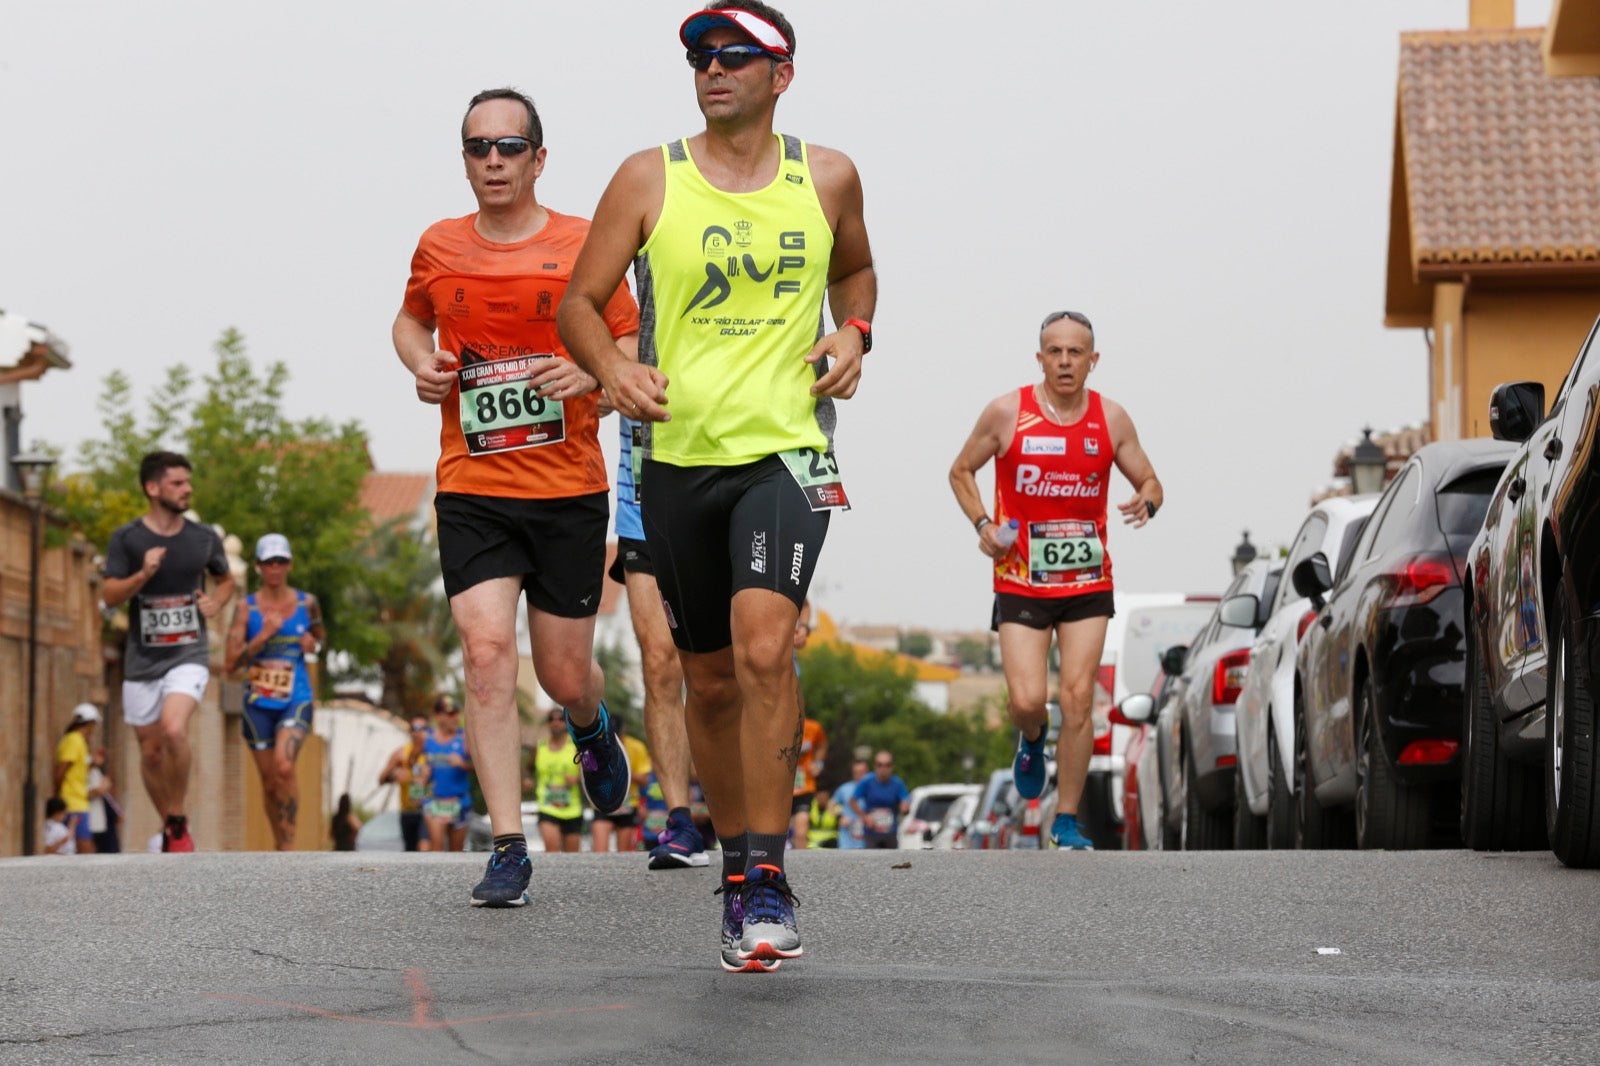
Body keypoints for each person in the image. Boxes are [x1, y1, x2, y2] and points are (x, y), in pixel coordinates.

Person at [559, 1, 876, 973]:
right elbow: (578, 302)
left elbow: (856, 273)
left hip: (789, 451)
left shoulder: (825, 176)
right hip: (677, 458)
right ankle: (737, 871)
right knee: (704, 677)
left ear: (782, 73)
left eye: (736, 54)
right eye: (700, 53)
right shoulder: (648, 177)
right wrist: (612, 367)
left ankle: (771, 874)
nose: (713, 67)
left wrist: (852, 333)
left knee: (765, 643)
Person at [393, 87, 640, 907]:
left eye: (508, 146)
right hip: (473, 484)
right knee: (488, 655)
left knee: (565, 674)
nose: (492, 161)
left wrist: (592, 370)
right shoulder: (439, 244)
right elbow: (408, 320)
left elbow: (632, 342)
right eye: (477, 148)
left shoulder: (581, 243)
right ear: (464, 160)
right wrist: (419, 361)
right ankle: (508, 843)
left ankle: (591, 727)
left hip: (567, 487)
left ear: (539, 157)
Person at [948, 310, 1163, 850]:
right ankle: (1030, 737)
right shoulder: (1006, 413)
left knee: (1077, 699)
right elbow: (960, 470)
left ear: (1093, 360)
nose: (1065, 361)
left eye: (1075, 352)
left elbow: (1151, 478)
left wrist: (1149, 500)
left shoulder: (1111, 419)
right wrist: (984, 525)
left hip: (1087, 580)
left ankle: (1066, 818)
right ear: (1040, 357)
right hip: (1020, 578)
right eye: (1054, 351)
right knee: (1028, 699)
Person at [101, 451, 235, 852]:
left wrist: (217, 602)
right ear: (153, 488)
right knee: (151, 751)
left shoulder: (202, 537)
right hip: (141, 660)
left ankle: (176, 816)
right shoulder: (127, 539)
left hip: (187, 655)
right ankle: (172, 823)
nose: (187, 489)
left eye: (187, 482)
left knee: (174, 728)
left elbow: (225, 580)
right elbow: (109, 595)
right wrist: (142, 574)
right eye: (177, 483)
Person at [608, 417, 709, 870]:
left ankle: (742, 813)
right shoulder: (629, 339)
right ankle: (681, 820)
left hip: (713, 497)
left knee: (718, 667)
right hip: (641, 506)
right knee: (658, 662)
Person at [224, 533, 325, 851]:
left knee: (284, 766)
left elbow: (320, 638)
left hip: (295, 698)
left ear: (289, 564)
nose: (275, 568)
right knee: (269, 783)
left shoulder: (306, 604)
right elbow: (229, 664)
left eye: (281, 561)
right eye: (269, 562)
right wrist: (262, 637)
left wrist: (314, 645)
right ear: (258, 567)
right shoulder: (246, 608)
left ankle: (289, 845)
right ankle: (279, 841)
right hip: (257, 704)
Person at [592, 713, 652, 853]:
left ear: (623, 731)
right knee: (600, 852)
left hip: (627, 805)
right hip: (604, 803)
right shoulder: (597, 745)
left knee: (623, 854)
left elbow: (644, 780)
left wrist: (623, 771)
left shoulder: (637, 747)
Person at [422, 696, 473, 853]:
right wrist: (421, 772)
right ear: (438, 716)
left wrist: (463, 764)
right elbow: (411, 762)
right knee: (437, 848)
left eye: (456, 713)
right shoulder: (426, 738)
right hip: (435, 801)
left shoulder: (464, 737)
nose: (455, 718)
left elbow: (481, 767)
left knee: (456, 852)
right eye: (450, 714)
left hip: (459, 801)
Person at [379, 715, 433, 851]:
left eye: (423, 728)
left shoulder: (432, 753)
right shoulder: (401, 754)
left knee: (424, 847)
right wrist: (394, 775)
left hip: (428, 809)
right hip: (407, 811)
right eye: (415, 728)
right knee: (410, 851)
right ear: (410, 731)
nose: (419, 732)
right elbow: (381, 779)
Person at [534, 708, 584, 853]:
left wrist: (577, 778)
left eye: (560, 719)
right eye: (551, 719)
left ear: (567, 723)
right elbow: (528, 768)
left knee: (572, 858)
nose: (556, 723)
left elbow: (590, 772)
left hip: (572, 809)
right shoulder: (539, 747)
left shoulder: (575, 746)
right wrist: (527, 780)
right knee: (552, 852)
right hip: (547, 806)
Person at [53, 704, 100, 854]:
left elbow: (77, 770)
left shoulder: (78, 741)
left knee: (81, 848)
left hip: (78, 801)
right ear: (91, 723)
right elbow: (62, 769)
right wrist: (57, 795)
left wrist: (92, 763)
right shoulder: (74, 740)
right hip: (72, 802)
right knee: (84, 848)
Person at [850, 750, 910, 848]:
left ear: (892, 766)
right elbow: (852, 801)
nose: (883, 768)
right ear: (875, 766)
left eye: (887, 765)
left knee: (892, 860)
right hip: (871, 832)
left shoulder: (898, 784)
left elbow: (905, 800)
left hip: (890, 832)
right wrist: (865, 817)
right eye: (880, 765)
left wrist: (905, 807)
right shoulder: (867, 781)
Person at [87, 747, 122, 853]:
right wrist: (104, 786)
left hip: (101, 815)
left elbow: (107, 795)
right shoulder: (86, 769)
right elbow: (98, 791)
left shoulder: (97, 771)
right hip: (90, 813)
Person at [830, 756, 869, 850]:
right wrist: (840, 816)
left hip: (867, 840)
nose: (860, 775)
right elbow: (830, 805)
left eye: (862, 772)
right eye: (857, 773)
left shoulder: (873, 790)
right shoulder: (844, 789)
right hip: (846, 840)